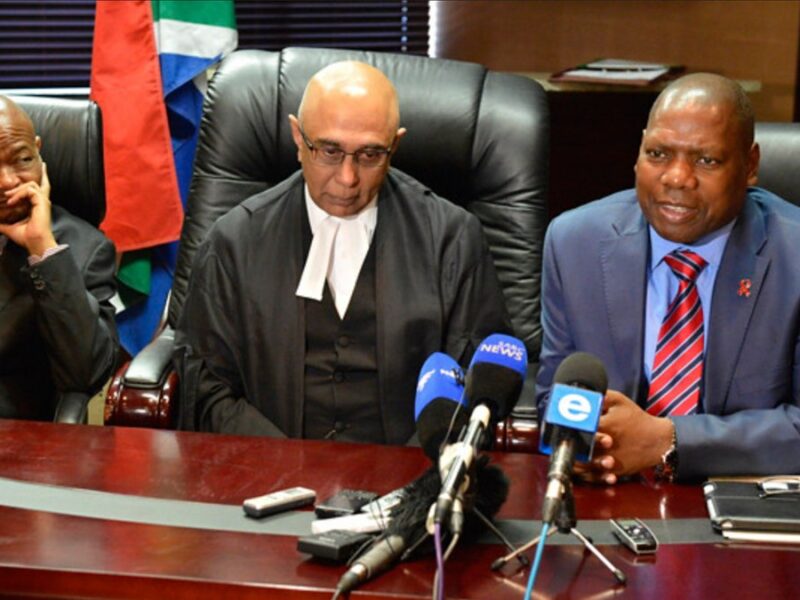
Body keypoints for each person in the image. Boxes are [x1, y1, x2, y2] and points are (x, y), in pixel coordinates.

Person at [174, 61, 511, 444]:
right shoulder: (234, 242)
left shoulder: (452, 238)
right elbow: (206, 389)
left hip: (410, 480)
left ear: (394, 145)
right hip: (267, 478)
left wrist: (409, 478)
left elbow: (478, 381)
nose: (348, 179)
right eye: (330, 152)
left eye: (370, 155)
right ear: (298, 138)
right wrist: (283, 466)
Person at [536, 73, 800, 482]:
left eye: (705, 160)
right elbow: (557, 390)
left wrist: (669, 439)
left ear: (750, 166)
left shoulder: (793, 256)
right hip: (612, 499)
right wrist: (582, 443)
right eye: (658, 154)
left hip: (742, 503)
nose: (676, 178)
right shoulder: (575, 243)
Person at [0, 96, 118, 420]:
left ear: (39, 151)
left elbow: (86, 374)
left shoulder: (83, 251)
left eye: (23, 159)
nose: (9, 181)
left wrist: (43, 250)